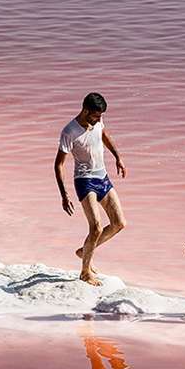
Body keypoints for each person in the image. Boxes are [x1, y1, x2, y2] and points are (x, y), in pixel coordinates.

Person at [53, 92, 127, 285]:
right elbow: (59, 164)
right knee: (96, 227)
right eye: (95, 115)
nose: (98, 119)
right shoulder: (70, 131)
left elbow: (104, 135)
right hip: (85, 180)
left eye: (100, 116)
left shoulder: (98, 122)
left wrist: (118, 157)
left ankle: (85, 250)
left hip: (102, 177)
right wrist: (64, 195)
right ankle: (85, 272)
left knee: (119, 223)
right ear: (85, 111)